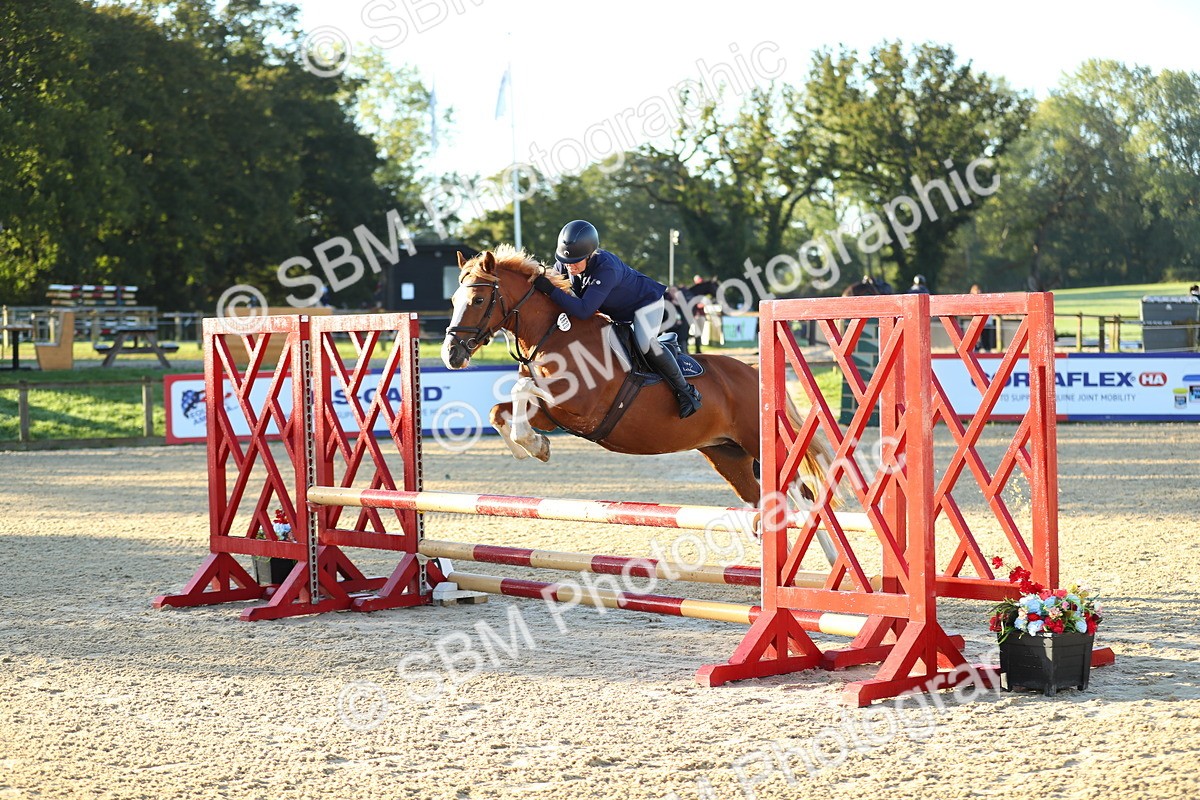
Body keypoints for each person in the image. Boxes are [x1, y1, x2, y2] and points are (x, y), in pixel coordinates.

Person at [531, 220, 702, 418]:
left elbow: (585, 310)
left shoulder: (606, 268)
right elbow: (565, 297)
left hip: (645, 305)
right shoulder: (566, 263)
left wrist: (551, 290)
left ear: (590, 255)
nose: (570, 267)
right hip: (615, 313)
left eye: (576, 261)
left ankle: (686, 392)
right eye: (566, 261)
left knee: (645, 344)